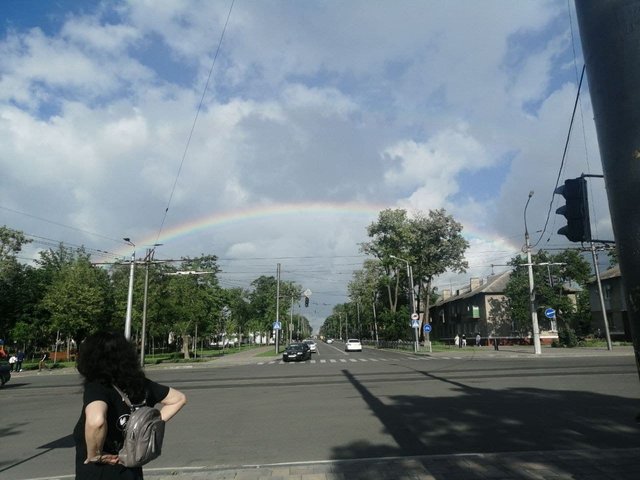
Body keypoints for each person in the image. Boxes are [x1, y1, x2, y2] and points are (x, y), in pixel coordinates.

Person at [73, 331, 187, 480]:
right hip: (131, 469)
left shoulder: (98, 386)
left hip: (100, 473)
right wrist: (147, 426)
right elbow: (178, 399)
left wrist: (96, 455)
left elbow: (97, 421)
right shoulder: (141, 384)